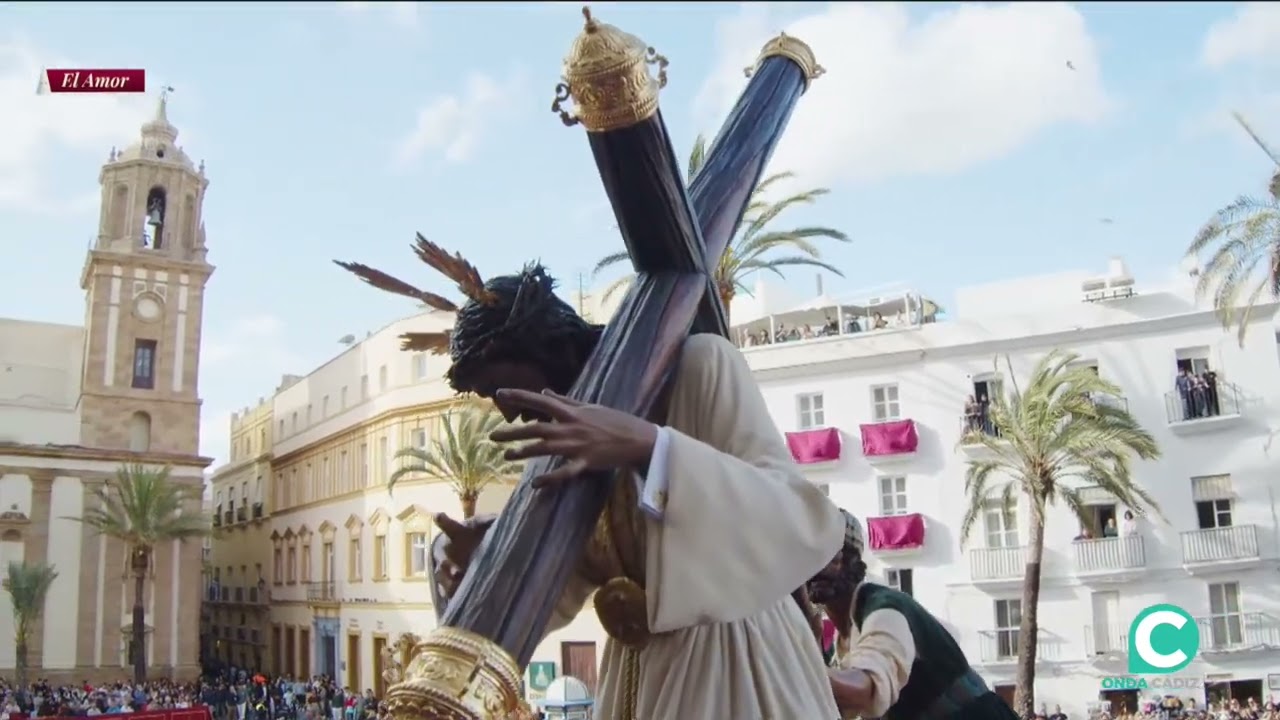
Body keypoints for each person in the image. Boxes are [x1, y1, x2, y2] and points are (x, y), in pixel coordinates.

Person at [338, 245, 844, 719]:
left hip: (737, 667)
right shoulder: (557, 447)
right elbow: (560, 584)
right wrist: (484, 558)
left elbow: (800, 520)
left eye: (501, 386)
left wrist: (651, 447)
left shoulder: (700, 365)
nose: (506, 411)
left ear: (549, 345)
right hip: (633, 677)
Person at [809, 508, 1019, 720]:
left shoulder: (884, 609)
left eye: (831, 557)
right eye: (808, 559)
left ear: (853, 561)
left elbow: (866, 687)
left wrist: (799, 670)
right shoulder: (839, 643)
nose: (817, 568)